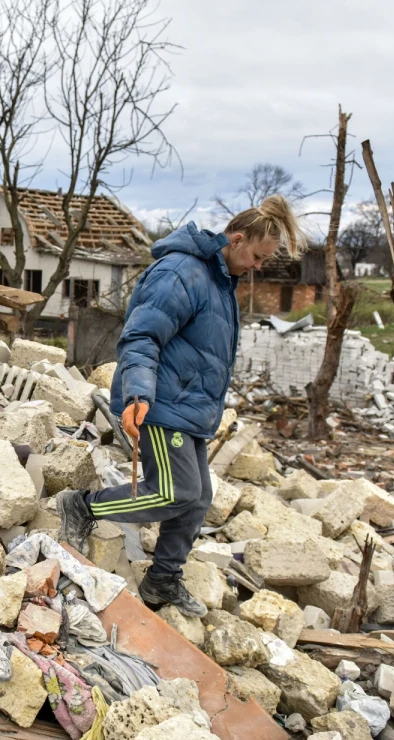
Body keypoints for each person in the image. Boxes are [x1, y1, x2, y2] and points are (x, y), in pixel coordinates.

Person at [56, 196, 305, 618]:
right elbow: (141, 337)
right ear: (237, 238)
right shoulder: (180, 273)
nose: (259, 267)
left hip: (188, 408)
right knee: (175, 491)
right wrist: (138, 393)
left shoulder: (222, 279)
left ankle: (161, 581)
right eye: (258, 257)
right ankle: (83, 505)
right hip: (158, 401)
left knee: (198, 496)